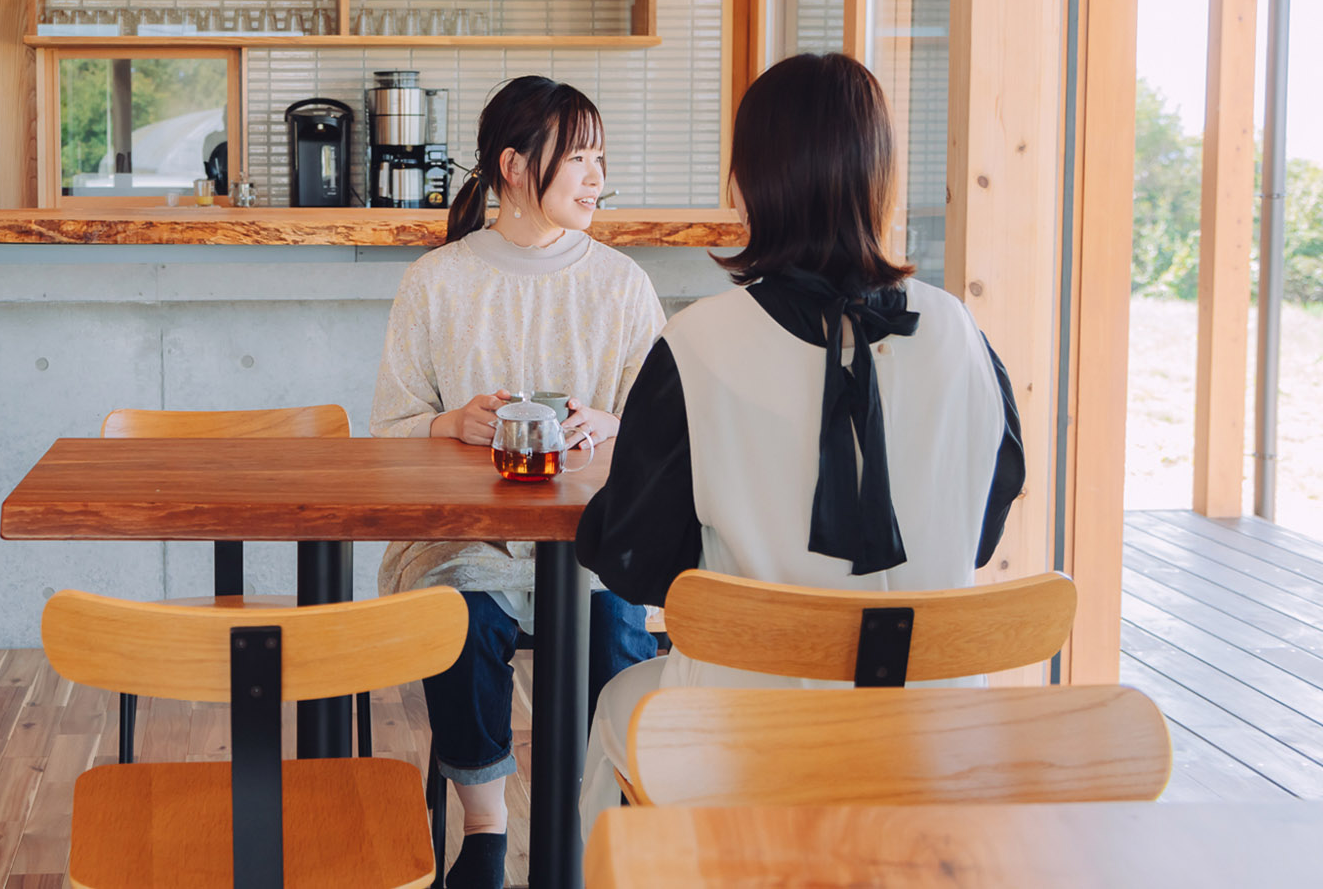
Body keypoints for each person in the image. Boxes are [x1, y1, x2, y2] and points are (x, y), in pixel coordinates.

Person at [573, 52, 1025, 832]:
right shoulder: (960, 331)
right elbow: (983, 529)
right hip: (933, 735)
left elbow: (638, 563)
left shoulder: (698, 345)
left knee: (620, 701)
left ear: (748, 183)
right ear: (879, 182)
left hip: (746, 740)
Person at [371, 75, 663, 889]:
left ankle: (600, 828)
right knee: (460, 619)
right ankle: (487, 834)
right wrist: (447, 423)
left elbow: (664, 437)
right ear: (513, 166)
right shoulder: (437, 283)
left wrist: (613, 423)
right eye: (578, 158)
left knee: (616, 633)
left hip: (592, 546)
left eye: (601, 158)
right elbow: (391, 429)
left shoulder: (622, 285)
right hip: (468, 545)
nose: (597, 177)